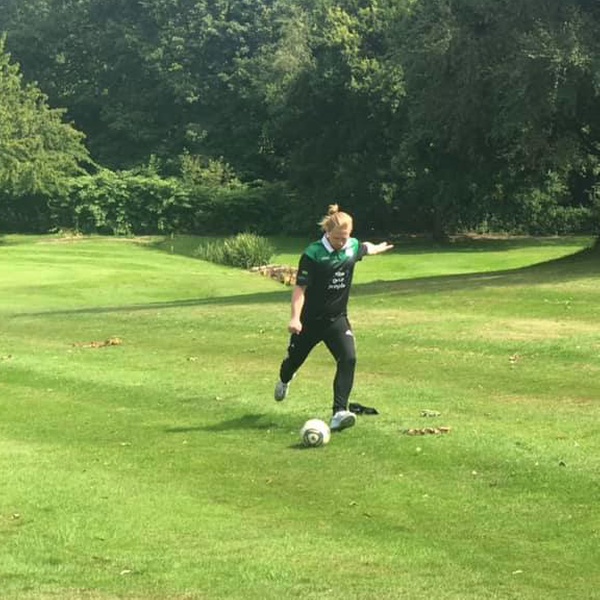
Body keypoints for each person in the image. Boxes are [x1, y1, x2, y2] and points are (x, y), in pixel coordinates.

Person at [274, 204, 394, 431]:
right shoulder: (313, 254)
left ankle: (339, 412)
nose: (341, 242)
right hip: (309, 322)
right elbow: (300, 289)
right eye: (337, 238)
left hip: (337, 319)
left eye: (345, 237)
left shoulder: (351, 246)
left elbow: (363, 247)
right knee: (292, 362)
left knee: (348, 358)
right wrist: (295, 318)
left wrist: (377, 248)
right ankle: (284, 379)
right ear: (328, 232)